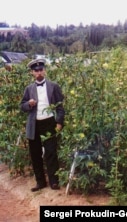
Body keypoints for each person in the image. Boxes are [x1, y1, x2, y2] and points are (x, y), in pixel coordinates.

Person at [20, 58, 65, 192]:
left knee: (51, 152)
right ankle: (40, 182)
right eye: (36, 71)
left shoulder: (54, 86)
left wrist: (59, 122)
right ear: (32, 73)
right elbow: (22, 106)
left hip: (49, 123)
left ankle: (54, 182)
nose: (39, 72)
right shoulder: (29, 89)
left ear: (44, 70)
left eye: (41, 70)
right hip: (34, 124)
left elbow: (60, 107)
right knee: (35, 154)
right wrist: (29, 104)